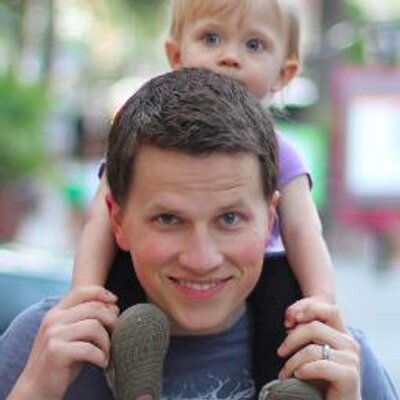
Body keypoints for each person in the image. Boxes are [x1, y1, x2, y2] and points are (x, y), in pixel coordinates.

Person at [1, 69, 398, 400]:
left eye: (229, 219)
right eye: (168, 219)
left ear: (269, 220)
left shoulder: (337, 362)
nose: (201, 258)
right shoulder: (46, 348)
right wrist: (34, 390)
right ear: (117, 222)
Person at [72, 0, 335, 320]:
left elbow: (303, 230)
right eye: (211, 38)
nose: (230, 56)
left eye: (254, 45)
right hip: (143, 289)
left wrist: (321, 302)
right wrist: (84, 296)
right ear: (176, 55)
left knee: (283, 292)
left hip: (256, 290)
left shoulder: (282, 152)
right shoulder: (144, 138)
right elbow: (100, 220)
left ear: (284, 72)